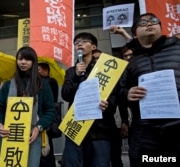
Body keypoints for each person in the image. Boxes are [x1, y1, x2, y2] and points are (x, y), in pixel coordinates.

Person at [119, 13, 180, 167]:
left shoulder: (177, 48)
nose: (149, 24)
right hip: (145, 131)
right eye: (143, 23)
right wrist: (127, 94)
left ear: (160, 26)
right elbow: (119, 90)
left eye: (153, 21)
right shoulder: (130, 62)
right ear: (134, 33)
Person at [0, 46, 55, 167]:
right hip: (9, 136)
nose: (23, 62)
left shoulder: (43, 85)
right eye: (20, 59)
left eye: (27, 59)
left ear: (33, 62)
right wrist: (0, 124)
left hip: (32, 135)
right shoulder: (8, 85)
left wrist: (39, 127)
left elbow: (49, 111)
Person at [61, 32, 116, 167]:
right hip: (76, 128)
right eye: (76, 42)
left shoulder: (105, 69)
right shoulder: (71, 71)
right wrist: (76, 76)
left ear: (93, 47)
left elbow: (114, 96)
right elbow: (66, 95)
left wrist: (108, 105)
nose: (79, 44)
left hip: (99, 130)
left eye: (84, 41)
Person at [38, 62, 59, 167]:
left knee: (46, 148)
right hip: (38, 119)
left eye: (39, 70)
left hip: (46, 118)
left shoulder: (51, 81)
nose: (37, 72)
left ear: (46, 70)